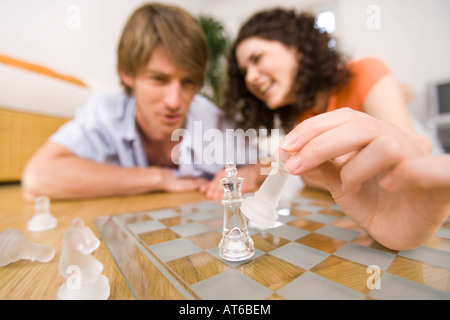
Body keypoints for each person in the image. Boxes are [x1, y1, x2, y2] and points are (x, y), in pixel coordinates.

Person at [21, 3, 262, 201]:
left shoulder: (211, 120)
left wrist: (249, 173)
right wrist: (160, 178)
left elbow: (270, 163)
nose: (174, 101)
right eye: (159, 79)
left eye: (188, 82)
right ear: (128, 73)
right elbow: (38, 177)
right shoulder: (105, 112)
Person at [278, 107, 450, 251]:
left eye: (257, 63)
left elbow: (407, 158)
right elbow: (298, 170)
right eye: (248, 70)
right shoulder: (297, 110)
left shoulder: (366, 72)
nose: (251, 77)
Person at [224, 8, 415, 135]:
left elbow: (410, 164)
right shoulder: (296, 114)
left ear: (296, 47)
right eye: (244, 72)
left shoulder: (367, 72)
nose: (250, 78)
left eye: (257, 58)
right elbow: (308, 176)